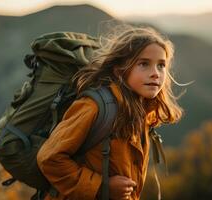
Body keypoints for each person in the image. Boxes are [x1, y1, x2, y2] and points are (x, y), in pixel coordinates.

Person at [37, 25, 183, 200]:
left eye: (161, 65)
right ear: (119, 70)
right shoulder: (94, 107)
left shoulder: (143, 113)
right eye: (144, 64)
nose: (155, 74)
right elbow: (49, 158)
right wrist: (101, 187)